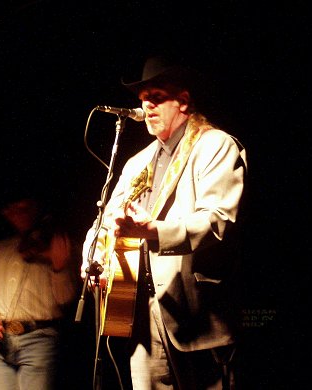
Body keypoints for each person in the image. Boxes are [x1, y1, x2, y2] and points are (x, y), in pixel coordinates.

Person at [81, 55, 247, 389]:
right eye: (143, 98)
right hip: (140, 314)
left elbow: (217, 220)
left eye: (156, 96)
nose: (146, 104)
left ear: (183, 101)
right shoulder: (137, 162)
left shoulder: (214, 145)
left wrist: (151, 231)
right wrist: (92, 256)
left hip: (196, 313)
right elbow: (105, 219)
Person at [0, 193, 78, 390]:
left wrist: (59, 267)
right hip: (1, 341)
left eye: (24, 208)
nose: (17, 213)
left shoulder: (55, 245)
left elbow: (66, 299)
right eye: (13, 209)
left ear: (37, 207)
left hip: (40, 339)